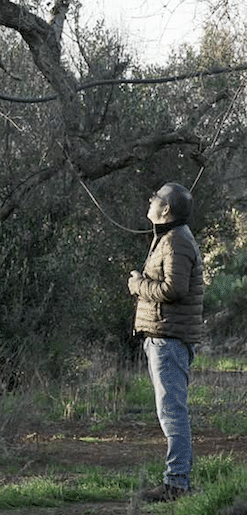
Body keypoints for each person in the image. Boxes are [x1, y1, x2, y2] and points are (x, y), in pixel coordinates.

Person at [127, 182, 204, 502]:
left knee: (172, 414)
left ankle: (177, 484)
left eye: (155, 197)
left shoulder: (176, 241)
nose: (150, 199)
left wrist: (138, 285)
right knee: (172, 412)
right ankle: (178, 481)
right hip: (165, 338)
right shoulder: (171, 237)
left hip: (169, 340)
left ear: (166, 209)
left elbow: (174, 290)